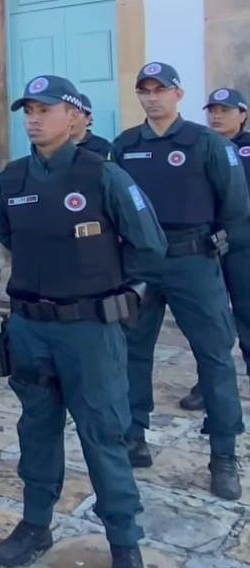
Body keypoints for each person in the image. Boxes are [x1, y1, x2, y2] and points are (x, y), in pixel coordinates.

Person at [0, 74, 167, 568]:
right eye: (28, 110)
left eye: (46, 109)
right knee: (36, 431)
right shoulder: (13, 179)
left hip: (90, 332)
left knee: (103, 436)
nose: (34, 118)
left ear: (74, 116)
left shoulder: (102, 175)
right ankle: (36, 523)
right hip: (30, 328)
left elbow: (149, 245)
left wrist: (117, 294)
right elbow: (3, 231)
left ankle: (125, 544)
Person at [111, 62, 248, 501]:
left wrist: (215, 247)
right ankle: (134, 435)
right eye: (144, 90)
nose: (153, 97)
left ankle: (223, 454)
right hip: (141, 263)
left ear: (178, 95)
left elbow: (235, 205)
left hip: (193, 260)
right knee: (132, 351)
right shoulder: (125, 145)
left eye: (161, 89)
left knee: (214, 356)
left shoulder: (206, 143)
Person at [180, 87, 250, 410]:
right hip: (208, 245)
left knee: (247, 315)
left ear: (243, 114)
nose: (217, 116)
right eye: (213, 110)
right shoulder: (202, 147)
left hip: (243, 246)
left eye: (225, 110)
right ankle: (208, 384)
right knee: (207, 319)